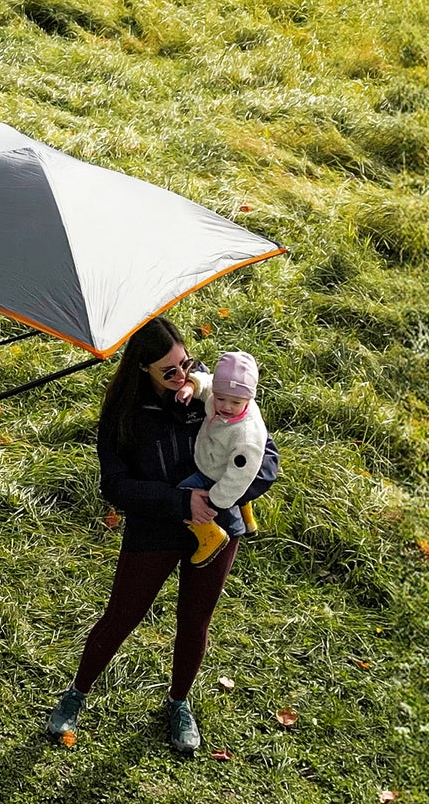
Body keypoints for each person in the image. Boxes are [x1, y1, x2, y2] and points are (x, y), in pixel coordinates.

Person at [45, 317, 277, 756]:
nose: (181, 377)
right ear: (143, 371)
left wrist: (220, 498)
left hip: (216, 529)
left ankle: (179, 703)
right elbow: (114, 486)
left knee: (194, 622)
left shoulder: (215, 396)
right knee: (122, 616)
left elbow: (264, 458)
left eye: (185, 363)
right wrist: (178, 502)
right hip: (154, 527)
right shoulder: (122, 415)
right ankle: (76, 693)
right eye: (168, 371)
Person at [178, 350, 267, 567]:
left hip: (217, 473)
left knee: (181, 497)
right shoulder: (221, 394)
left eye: (235, 402)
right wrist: (191, 385)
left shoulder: (247, 436)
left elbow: (240, 475)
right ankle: (248, 518)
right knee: (237, 491)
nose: (226, 406)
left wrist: (216, 500)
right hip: (215, 458)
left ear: (249, 398)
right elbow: (208, 382)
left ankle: (211, 535)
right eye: (220, 399)